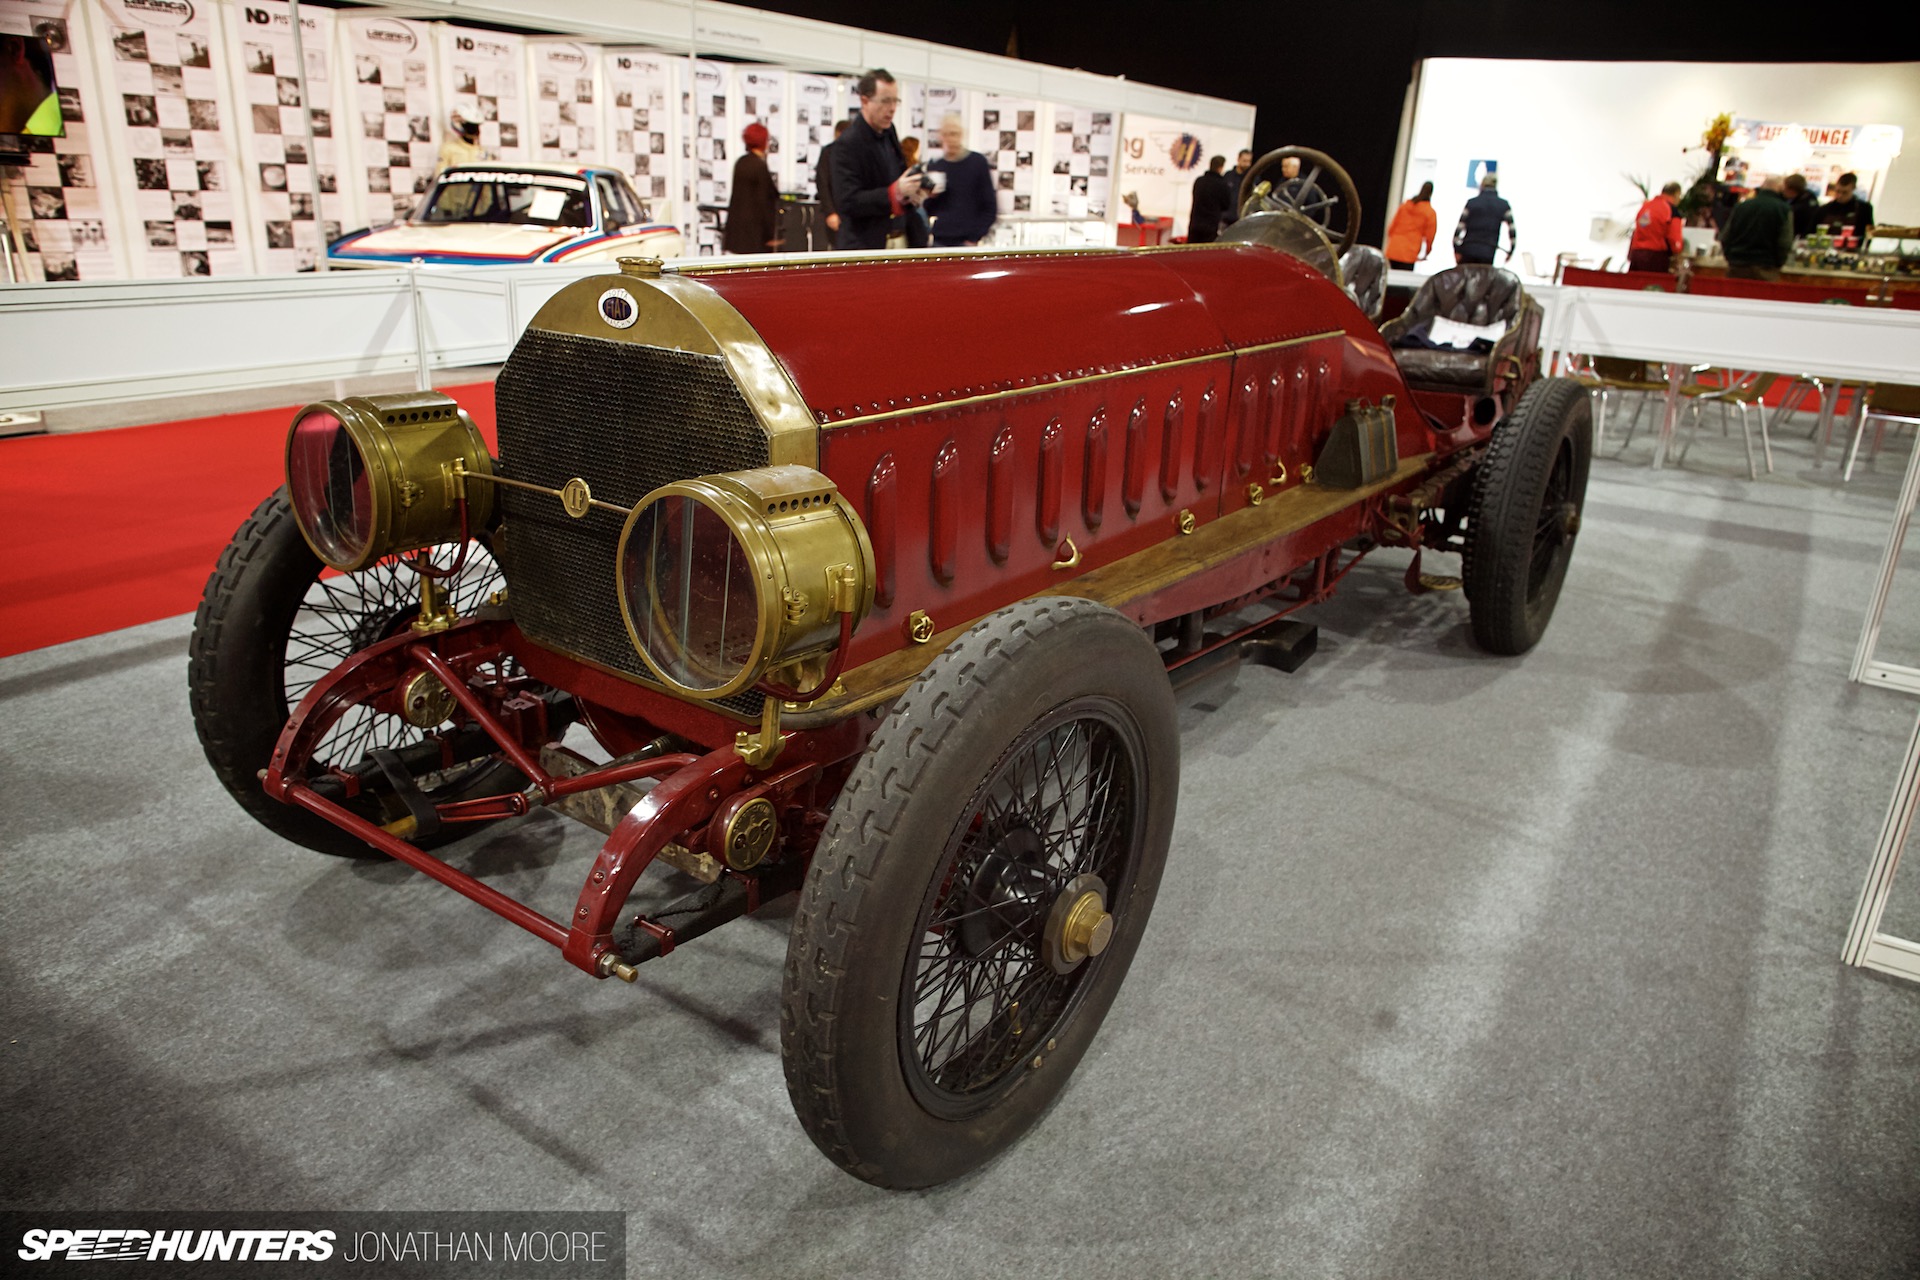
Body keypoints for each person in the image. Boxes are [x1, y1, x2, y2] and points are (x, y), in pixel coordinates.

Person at [829, 68, 927, 250]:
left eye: (895, 101)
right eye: (885, 101)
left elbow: (896, 175)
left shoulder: (889, 132)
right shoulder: (847, 144)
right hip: (866, 245)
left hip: (901, 238)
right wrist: (893, 193)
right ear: (864, 100)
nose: (892, 109)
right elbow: (848, 201)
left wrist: (912, 191)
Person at [926, 112, 995, 247]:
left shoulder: (977, 162)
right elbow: (930, 209)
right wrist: (931, 196)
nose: (951, 139)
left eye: (955, 133)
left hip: (966, 240)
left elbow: (990, 206)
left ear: (962, 134)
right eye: (947, 134)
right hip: (941, 238)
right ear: (941, 136)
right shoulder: (936, 166)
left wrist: (975, 237)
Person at [1719, 173, 1801, 281]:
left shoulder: (1741, 207)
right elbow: (1784, 243)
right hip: (1766, 268)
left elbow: (1725, 236)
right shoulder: (1784, 209)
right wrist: (1778, 264)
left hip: (1737, 266)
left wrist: (1731, 258)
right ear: (1780, 188)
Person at [724, 121, 780, 254]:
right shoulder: (759, 166)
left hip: (738, 231)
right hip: (755, 234)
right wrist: (770, 234)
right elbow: (764, 201)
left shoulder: (741, 163)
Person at [1453, 171, 1515, 265]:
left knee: (1466, 278)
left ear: (1482, 184)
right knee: (1484, 278)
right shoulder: (1503, 205)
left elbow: (1459, 229)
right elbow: (1512, 230)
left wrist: (1456, 249)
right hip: (1488, 251)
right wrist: (1511, 250)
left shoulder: (1471, 203)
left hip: (1468, 249)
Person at [1627, 181, 1684, 273]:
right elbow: (1674, 237)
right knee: (1653, 286)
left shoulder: (1646, 206)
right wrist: (1678, 254)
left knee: (1634, 285)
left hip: (1637, 254)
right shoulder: (1671, 210)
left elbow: (1639, 229)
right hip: (1655, 257)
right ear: (1676, 194)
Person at [1815, 171, 1875, 247]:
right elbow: (1811, 231)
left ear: (1853, 189)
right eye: (1837, 191)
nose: (1840, 196)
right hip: (1824, 248)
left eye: (1845, 192)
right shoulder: (1824, 209)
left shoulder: (1864, 209)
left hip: (1851, 251)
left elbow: (1869, 234)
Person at [1385, 181, 1437, 269]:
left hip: (1394, 249)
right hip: (1410, 252)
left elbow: (1392, 227)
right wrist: (1427, 252)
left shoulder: (1405, 206)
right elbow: (1430, 236)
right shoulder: (1429, 212)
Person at [815, 119, 850, 246]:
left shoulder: (857, 154)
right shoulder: (828, 153)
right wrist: (830, 212)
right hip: (836, 211)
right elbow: (822, 182)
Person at [1187, 155, 1233, 244]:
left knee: (1191, 252)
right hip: (1210, 225)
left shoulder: (1199, 181)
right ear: (1221, 167)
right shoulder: (1222, 185)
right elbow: (1226, 205)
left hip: (1195, 223)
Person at [1221, 148, 1253, 228]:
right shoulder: (1228, 176)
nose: (1247, 164)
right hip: (1226, 220)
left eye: (1249, 161)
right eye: (1244, 161)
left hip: (1243, 221)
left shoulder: (1253, 178)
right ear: (1238, 159)